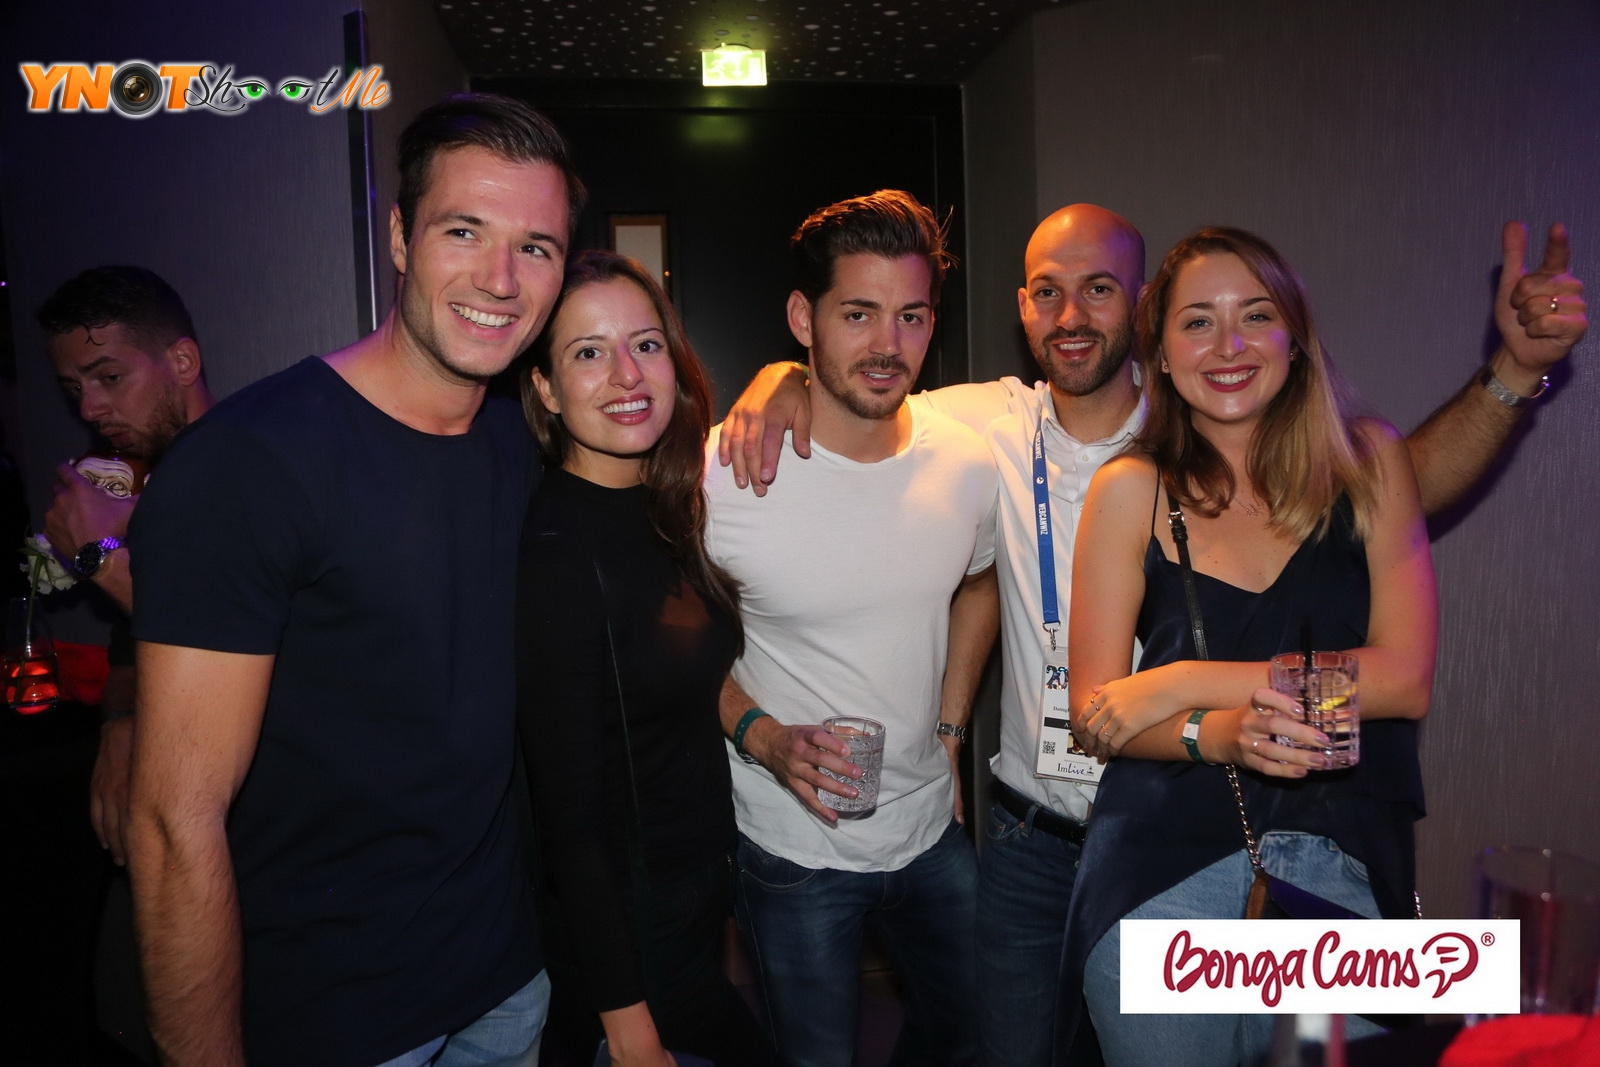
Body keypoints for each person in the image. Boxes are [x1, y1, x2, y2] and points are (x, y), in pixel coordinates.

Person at [716, 204, 1587, 1066]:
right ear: (1025, 307)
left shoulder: (1227, 431)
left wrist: (1514, 374)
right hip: (1041, 833)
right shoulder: (985, 427)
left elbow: (1399, 495)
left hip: (1242, 820)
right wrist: (782, 379)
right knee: (1003, 1049)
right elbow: (870, 384)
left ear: (1140, 315)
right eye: (1048, 291)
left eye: (1098, 289)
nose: (1070, 314)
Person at [126, 93, 583, 1067]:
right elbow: (173, 820)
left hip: (504, 981)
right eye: (465, 230)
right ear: (402, 238)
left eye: (536, 247)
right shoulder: (248, 464)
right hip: (335, 1016)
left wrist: (789, 382)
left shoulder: (519, 436)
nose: (500, 279)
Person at [1061, 226, 1436, 1064]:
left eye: (1256, 315)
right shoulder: (1128, 488)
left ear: (1294, 338)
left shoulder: (1370, 460)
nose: (1228, 345)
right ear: (1160, 354)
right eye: (1197, 322)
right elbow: (1096, 714)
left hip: (1340, 858)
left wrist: (1183, 681)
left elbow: (1404, 677)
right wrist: (1218, 732)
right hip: (1159, 868)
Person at [705, 189, 1000, 1067]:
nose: (887, 345)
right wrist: (763, 738)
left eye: (911, 316)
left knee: (972, 1036)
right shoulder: (724, 473)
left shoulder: (965, 459)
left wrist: (950, 728)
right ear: (804, 319)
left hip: (929, 827)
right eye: (858, 313)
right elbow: (666, 656)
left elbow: (979, 584)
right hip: (790, 846)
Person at [515, 250, 772, 1066]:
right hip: (632, 938)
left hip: (692, 902)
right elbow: (570, 823)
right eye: (589, 352)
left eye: (646, 344)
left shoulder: (659, 505)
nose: (626, 374)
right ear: (546, 389)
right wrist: (627, 1023)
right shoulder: (558, 553)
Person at [37, 265, 216, 867]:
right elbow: (130, 645)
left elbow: (237, 644)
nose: (89, 408)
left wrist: (98, 556)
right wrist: (119, 721)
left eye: (109, 377)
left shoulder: (247, 473)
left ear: (182, 362)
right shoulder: (150, 482)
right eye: (74, 388)